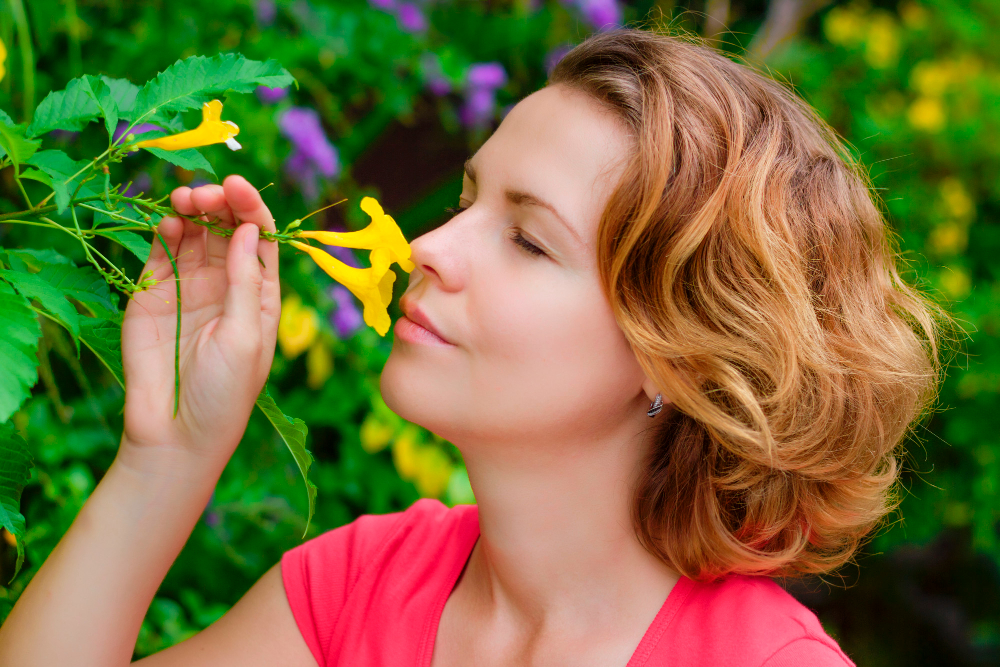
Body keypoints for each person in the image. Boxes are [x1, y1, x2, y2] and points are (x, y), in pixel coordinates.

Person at [0, 28, 944, 667]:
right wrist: (168, 453)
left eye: (530, 240)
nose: (426, 248)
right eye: (465, 201)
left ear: (683, 351)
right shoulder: (362, 584)